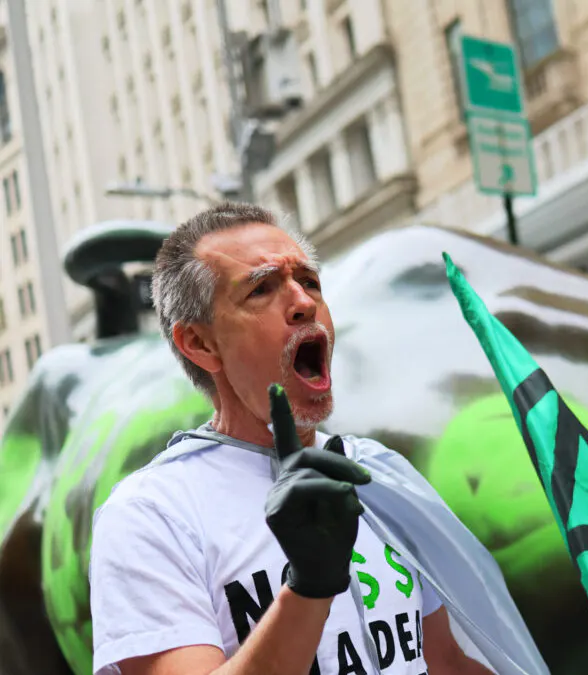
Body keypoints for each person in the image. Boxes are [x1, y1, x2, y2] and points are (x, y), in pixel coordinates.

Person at [88, 203, 518, 675]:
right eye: (261, 289)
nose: (303, 303)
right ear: (200, 343)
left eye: (310, 282)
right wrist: (307, 588)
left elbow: (445, 661)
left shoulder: (378, 474)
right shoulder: (151, 515)